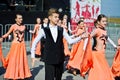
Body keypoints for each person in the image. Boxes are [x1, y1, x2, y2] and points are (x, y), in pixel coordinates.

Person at [31, 8, 85, 80]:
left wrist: (81, 37)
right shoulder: (43, 30)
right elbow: (35, 42)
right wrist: (32, 55)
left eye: (58, 17)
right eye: (55, 17)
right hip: (49, 59)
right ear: (50, 17)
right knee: (49, 78)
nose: (57, 19)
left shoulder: (61, 29)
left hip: (59, 59)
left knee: (58, 78)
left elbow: (70, 41)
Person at [80, 14, 117, 80]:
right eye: (103, 21)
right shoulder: (97, 30)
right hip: (96, 53)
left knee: (103, 71)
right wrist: (84, 48)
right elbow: (88, 37)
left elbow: (108, 38)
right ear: (99, 22)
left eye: (106, 21)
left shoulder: (104, 30)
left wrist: (114, 46)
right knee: (97, 72)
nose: (105, 23)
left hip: (102, 54)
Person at [0, 14, 32, 80]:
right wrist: (1, 37)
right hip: (15, 45)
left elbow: (30, 31)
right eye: (19, 18)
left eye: (21, 18)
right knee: (13, 60)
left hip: (22, 46)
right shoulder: (13, 26)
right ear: (16, 19)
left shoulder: (24, 26)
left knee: (22, 60)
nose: (21, 19)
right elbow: (7, 33)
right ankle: (11, 74)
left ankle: (22, 74)